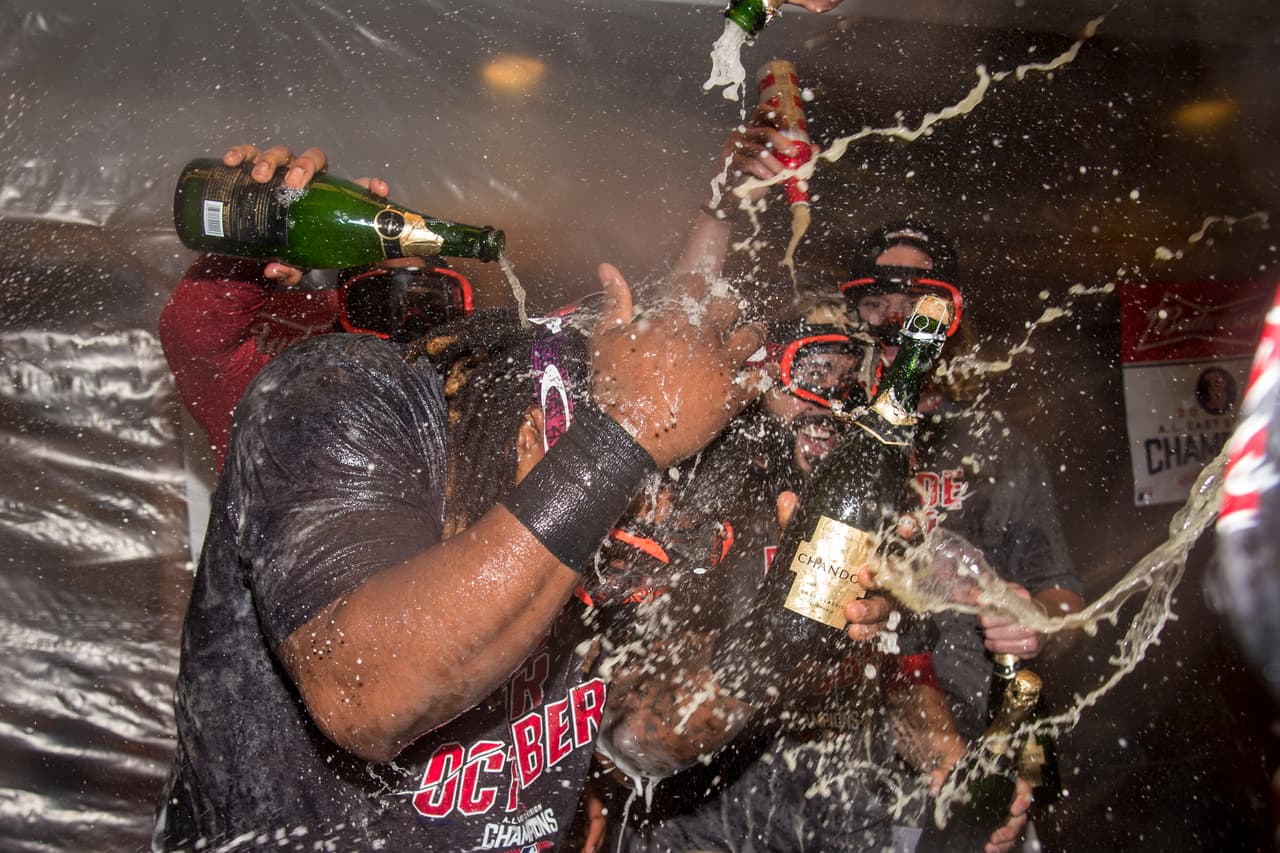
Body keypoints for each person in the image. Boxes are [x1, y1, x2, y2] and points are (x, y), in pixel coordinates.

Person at [152, 142, 891, 852]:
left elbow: (640, 741)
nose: (652, 521)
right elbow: (365, 693)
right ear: (540, 427)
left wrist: (777, 639)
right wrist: (620, 441)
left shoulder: (596, 529)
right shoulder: (335, 394)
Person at [159, 150, 475, 471]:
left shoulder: (479, 417)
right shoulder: (287, 395)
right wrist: (270, 226)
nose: (405, 325)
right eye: (378, 302)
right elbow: (195, 336)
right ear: (346, 311)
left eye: (428, 305)